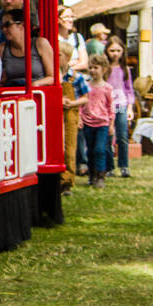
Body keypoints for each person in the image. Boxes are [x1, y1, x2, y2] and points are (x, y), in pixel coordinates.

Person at [80, 53, 115, 188]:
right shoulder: (86, 86)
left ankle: (101, 175)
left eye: (96, 67)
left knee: (100, 149)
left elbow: (111, 106)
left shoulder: (107, 88)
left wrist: (111, 123)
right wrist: (80, 117)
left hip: (102, 123)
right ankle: (92, 174)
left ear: (104, 69)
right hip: (88, 121)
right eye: (90, 67)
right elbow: (82, 103)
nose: (92, 70)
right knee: (90, 150)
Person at [0, 8, 54, 87]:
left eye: (7, 25)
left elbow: (54, 77)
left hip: (37, 94)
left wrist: (35, 84)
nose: (4, 29)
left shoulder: (40, 44)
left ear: (22, 25)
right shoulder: (2, 48)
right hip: (11, 95)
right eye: (2, 26)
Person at [105, 35, 136, 178]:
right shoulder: (104, 68)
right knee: (107, 137)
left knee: (122, 136)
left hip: (121, 105)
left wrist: (130, 108)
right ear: (107, 51)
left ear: (122, 51)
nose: (115, 54)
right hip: (106, 107)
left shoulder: (125, 69)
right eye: (112, 50)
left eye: (118, 50)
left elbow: (129, 89)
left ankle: (124, 166)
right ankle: (109, 166)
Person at [58, 41, 86, 195]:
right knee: (57, 145)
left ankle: (67, 181)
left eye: (59, 55)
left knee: (69, 146)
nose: (56, 57)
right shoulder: (52, 75)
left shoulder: (76, 77)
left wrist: (73, 103)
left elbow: (86, 97)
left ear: (67, 57)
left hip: (70, 113)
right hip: (56, 112)